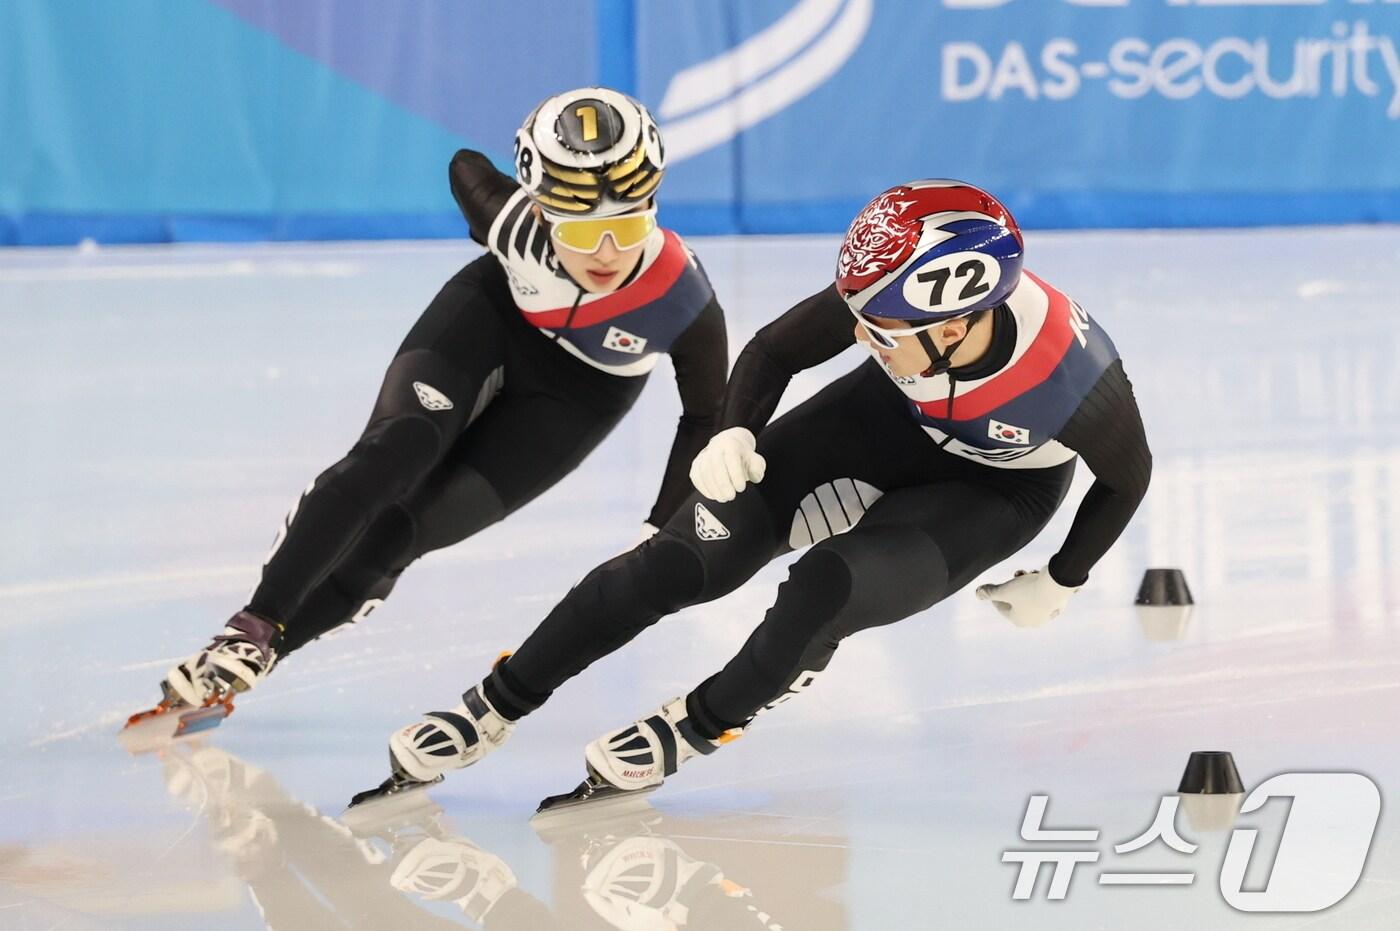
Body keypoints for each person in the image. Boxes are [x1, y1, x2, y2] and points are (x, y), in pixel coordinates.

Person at [371, 180, 1151, 807]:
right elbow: (778, 347)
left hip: (997, 488)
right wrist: (733, 434)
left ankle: (702, 722)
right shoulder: (892, 297)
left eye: (880, 328)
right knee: (679, 560)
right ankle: (496, 700)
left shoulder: (1072, 383)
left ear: (952, 326)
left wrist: (1064, 575)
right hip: (884, 420)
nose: (861, 333)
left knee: (824, 587)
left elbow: (1129, 476)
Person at [151, 87, 728, 714]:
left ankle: (252, 663)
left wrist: (658, 529)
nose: (607, 254)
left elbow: (706, 416)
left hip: (583, 394)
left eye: (628, 225)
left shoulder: (684, 299)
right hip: (493, 319)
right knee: (397, 448)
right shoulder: (512, 223)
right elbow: (465, 167)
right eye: (583, 233)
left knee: (401, 536)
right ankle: (251, 628)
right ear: (539, 212)